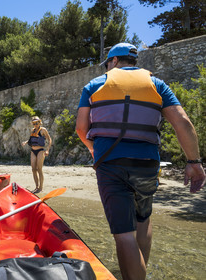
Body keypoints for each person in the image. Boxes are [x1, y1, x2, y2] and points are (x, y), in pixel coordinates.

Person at [75, 42, 205, 280]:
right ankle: (141, 271)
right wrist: (194, 161)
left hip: (110, 163)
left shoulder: (94, 85)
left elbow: (81, 129)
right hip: (146, 163)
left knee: (124, 234)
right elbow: (182, 122)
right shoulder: (157, 85)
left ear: (113, 62)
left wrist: (94, 149)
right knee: (143, 218)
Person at [22, 116, 52, 193]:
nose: (35, 124)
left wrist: (47, 150)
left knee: (39, 169)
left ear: (39, 122)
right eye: (34, 123)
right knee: (33, 169)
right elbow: (31, 139)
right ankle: (36, 187)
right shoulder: (33, 130)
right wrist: (26, 142)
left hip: (40, 151)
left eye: (37, 123)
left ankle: (41, 188)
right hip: (33, 150)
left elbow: (49, 139)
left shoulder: (43, 130)